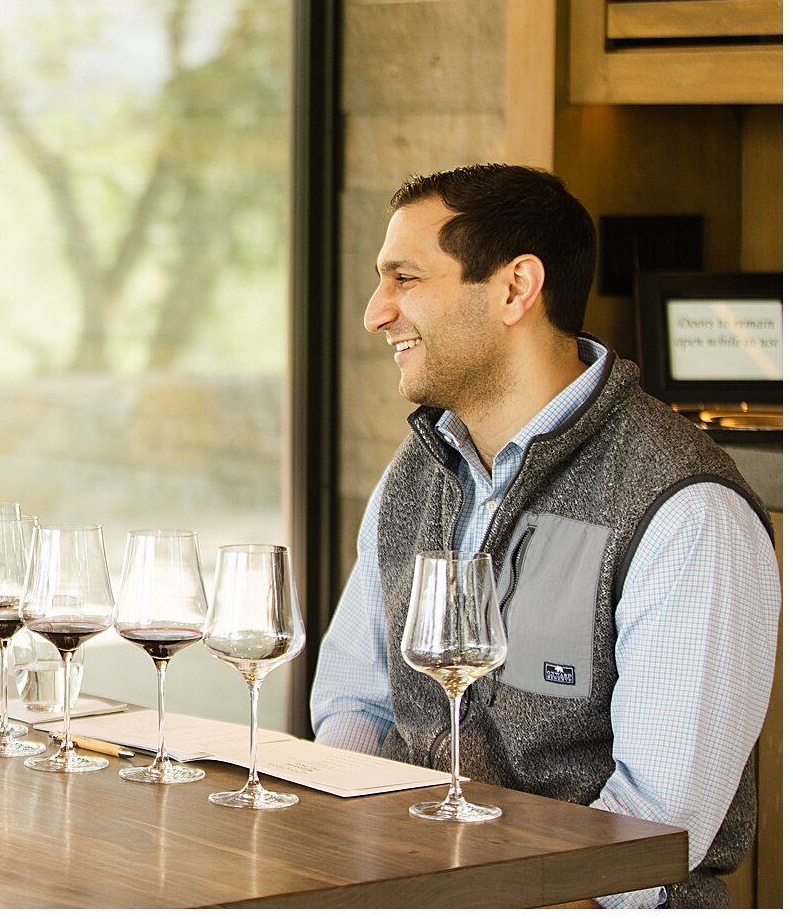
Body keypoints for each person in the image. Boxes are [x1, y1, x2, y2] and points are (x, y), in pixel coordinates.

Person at [310, 164, 778, 909]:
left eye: (405, 278)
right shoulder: (416, 470)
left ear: (514, 289)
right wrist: (338, 866)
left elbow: (652, 840)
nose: (376, 312)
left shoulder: (688, 512)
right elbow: (355, 704)